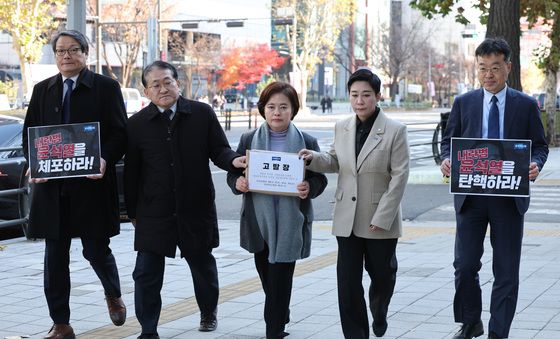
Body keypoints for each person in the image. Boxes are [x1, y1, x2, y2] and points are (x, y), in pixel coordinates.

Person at [124, 61, 246, 339]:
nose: (162, 88)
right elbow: (131, 173)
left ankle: (208, 311)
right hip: (154, 211)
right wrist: (132, 211)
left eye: (167, 81)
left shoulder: (202, 114)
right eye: (155, 84)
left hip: (195, 206)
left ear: (178, 84)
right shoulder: (137, 125)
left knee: (203, 265)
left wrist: (233, 161)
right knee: (145, 273)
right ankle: (148, 329)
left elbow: (219, 149)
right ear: (146, 91)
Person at [22, 30, 128, 339]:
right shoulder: (43, 90)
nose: (66, 55)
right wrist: (34, 163)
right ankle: (61, 323)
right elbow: (32, 134)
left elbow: (119, 133)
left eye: (73, 50)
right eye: (60, 51)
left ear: (86, 53)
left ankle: (112, 292)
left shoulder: (106, 87)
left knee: (96, 249)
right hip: (52, 188)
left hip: (90, 185)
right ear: (54, 56)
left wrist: (105, 158)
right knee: (55, 258)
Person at [440, 38, 548, 339]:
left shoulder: (525, 105)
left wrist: (536, 165)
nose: (488, 74)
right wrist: (447, 159)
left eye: (495, 68)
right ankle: (470, 321)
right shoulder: (464, 103)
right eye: (483, 68)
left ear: (508, 68)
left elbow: (539, 146)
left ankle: (498, 332)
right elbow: (449, 141)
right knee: (464, 265)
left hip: (508, 198)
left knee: (506, 271)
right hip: (471, 197)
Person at [299, 69, 409, 338]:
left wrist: (382, 216)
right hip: (346, 216)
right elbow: (336, 161)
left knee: (383, 276)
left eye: (366, 95)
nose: (359, 101)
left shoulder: (395, 130)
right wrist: (313, 157)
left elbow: (400, 177)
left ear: (378, 96)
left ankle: (379, 311)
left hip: (379, 219)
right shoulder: (342, 126)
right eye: (354, 95)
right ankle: (356, 334)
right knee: (347, 283)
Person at [227, 82, 327, 339]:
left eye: (284, 107)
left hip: (291, 221)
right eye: (271, 107)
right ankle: (280, 310)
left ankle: (274, 330)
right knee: (266, 274)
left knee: (281, 275)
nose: (277, 112)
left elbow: (320, 179)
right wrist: (239, 183)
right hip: (259, 222)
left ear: (293, 110)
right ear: (263, 109)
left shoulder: (307, 141)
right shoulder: (249, 139)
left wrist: (309, 187)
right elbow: (234, 172)